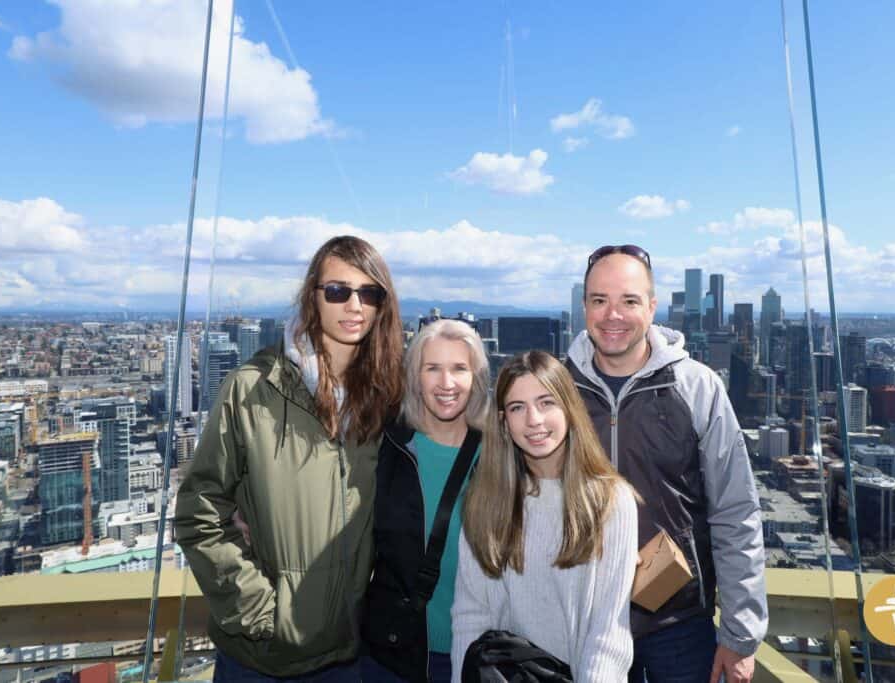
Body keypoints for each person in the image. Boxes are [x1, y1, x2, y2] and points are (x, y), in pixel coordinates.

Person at [174, 235, 404, 682]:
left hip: (348, 654)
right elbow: (198, 511)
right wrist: (259, 612)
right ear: (312, 298)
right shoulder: (253, 389)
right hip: (260, 660)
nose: (354, 305)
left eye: (369, 293)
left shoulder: (385, 400)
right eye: (338, 291)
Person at [565, 245, 768, 683]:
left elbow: (735, 513)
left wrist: (740, 634)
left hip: (678, 625)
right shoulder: (556, 388)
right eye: (599, 300)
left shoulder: (697, 387)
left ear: (652, 307)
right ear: (583, 307)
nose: (612, 315)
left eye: (629, 301)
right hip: (579, 622)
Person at [452, 351, 639, 682]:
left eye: (546, 402)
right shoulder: (485, 502)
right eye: (517, 408)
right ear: (503, 422)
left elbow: (608, 635)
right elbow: (470, 618)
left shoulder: (611, 501)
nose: (534, 420)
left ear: (569, 408)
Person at [361, 319, 491, 682]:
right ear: (414, 376)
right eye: (432, 368)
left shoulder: (501, 452)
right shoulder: (388, 445)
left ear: (476, 377)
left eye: (459, 369)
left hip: (479, 655)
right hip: (394, 656)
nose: (446, 383)